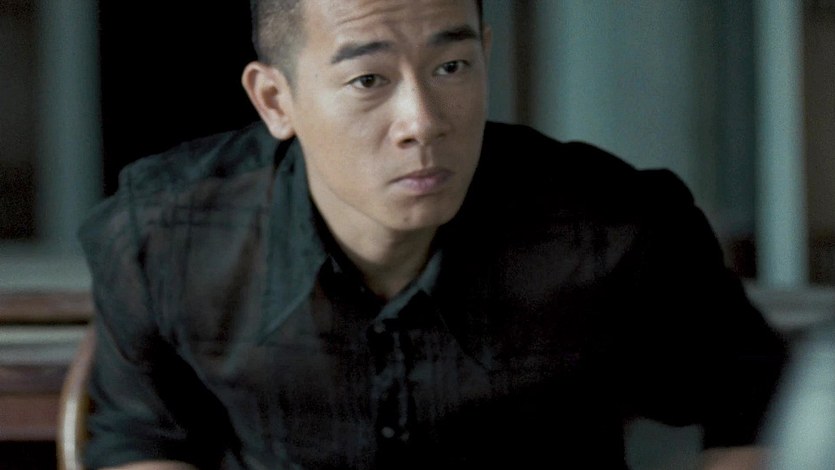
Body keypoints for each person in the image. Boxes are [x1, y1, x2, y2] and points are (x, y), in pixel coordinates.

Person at [78, 0, 787, 468]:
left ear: (485, 53)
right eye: (368, 80)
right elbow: (141, 436)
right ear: (275, 99)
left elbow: (754, 398)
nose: (422, 120)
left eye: (451, 67)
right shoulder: (169, 233)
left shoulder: (609, 229)